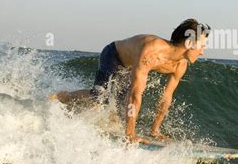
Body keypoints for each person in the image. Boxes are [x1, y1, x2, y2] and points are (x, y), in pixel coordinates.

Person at [49, 19, 210, 143]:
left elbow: (166, 99)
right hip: (113, 55)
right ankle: (63, 97)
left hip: (129, 67)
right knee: (99, 98)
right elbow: (135, 94)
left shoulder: (180, 65)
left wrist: (155, 130)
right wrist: (130, 134)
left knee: (118, 109)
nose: (202, 52)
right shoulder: (152, 52)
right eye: (202, 46)